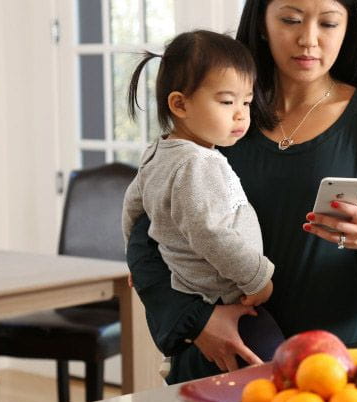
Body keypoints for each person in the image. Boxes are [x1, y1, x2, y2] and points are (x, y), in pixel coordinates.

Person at [127, 0, 357, 384]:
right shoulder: (219, 115)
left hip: (329, 380)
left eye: (328, 23)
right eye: (290, 19)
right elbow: (146, 240)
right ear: (261, 21)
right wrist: (197, 323)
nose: (308, 39)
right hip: (216, 367)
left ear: (348, 28)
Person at [122, 30, 284, 368]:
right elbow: (210, 232)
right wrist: (258, 278)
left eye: (246, 101)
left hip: (188, 289)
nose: (241, 114)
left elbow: (132, 209)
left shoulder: (157, 152)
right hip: (225, 292)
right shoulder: (198, 163)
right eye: (227, 102)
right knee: (271, 370)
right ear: (180, 104)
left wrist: (132, 258)